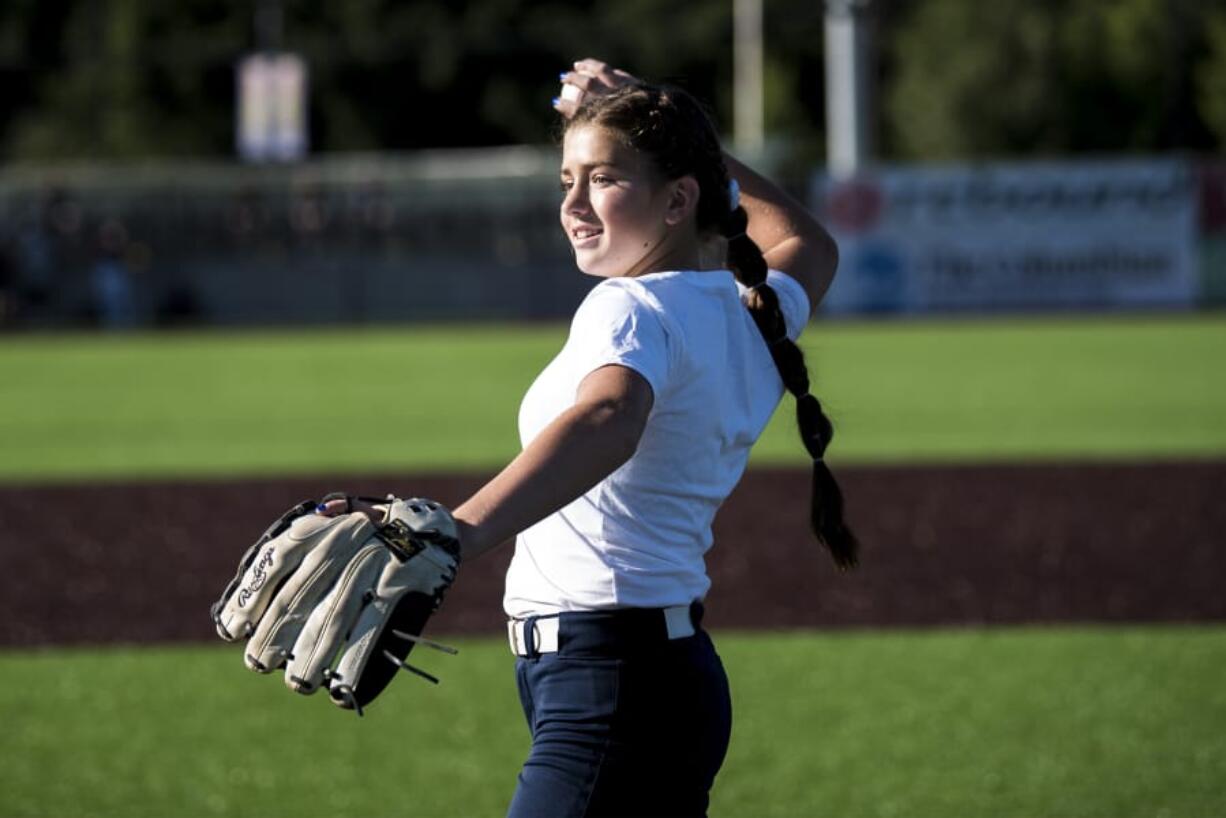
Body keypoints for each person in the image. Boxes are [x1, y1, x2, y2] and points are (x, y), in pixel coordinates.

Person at [330, 57, 856, 817]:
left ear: (679, 200)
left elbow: (609, 415)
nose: (574, 203)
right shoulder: (748, 315)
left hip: (607, 682)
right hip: (654, 676)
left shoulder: (631, 307)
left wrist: (461, 532)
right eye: (566, 180)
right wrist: (678, 136)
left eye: (603, 179)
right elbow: (810, 241)